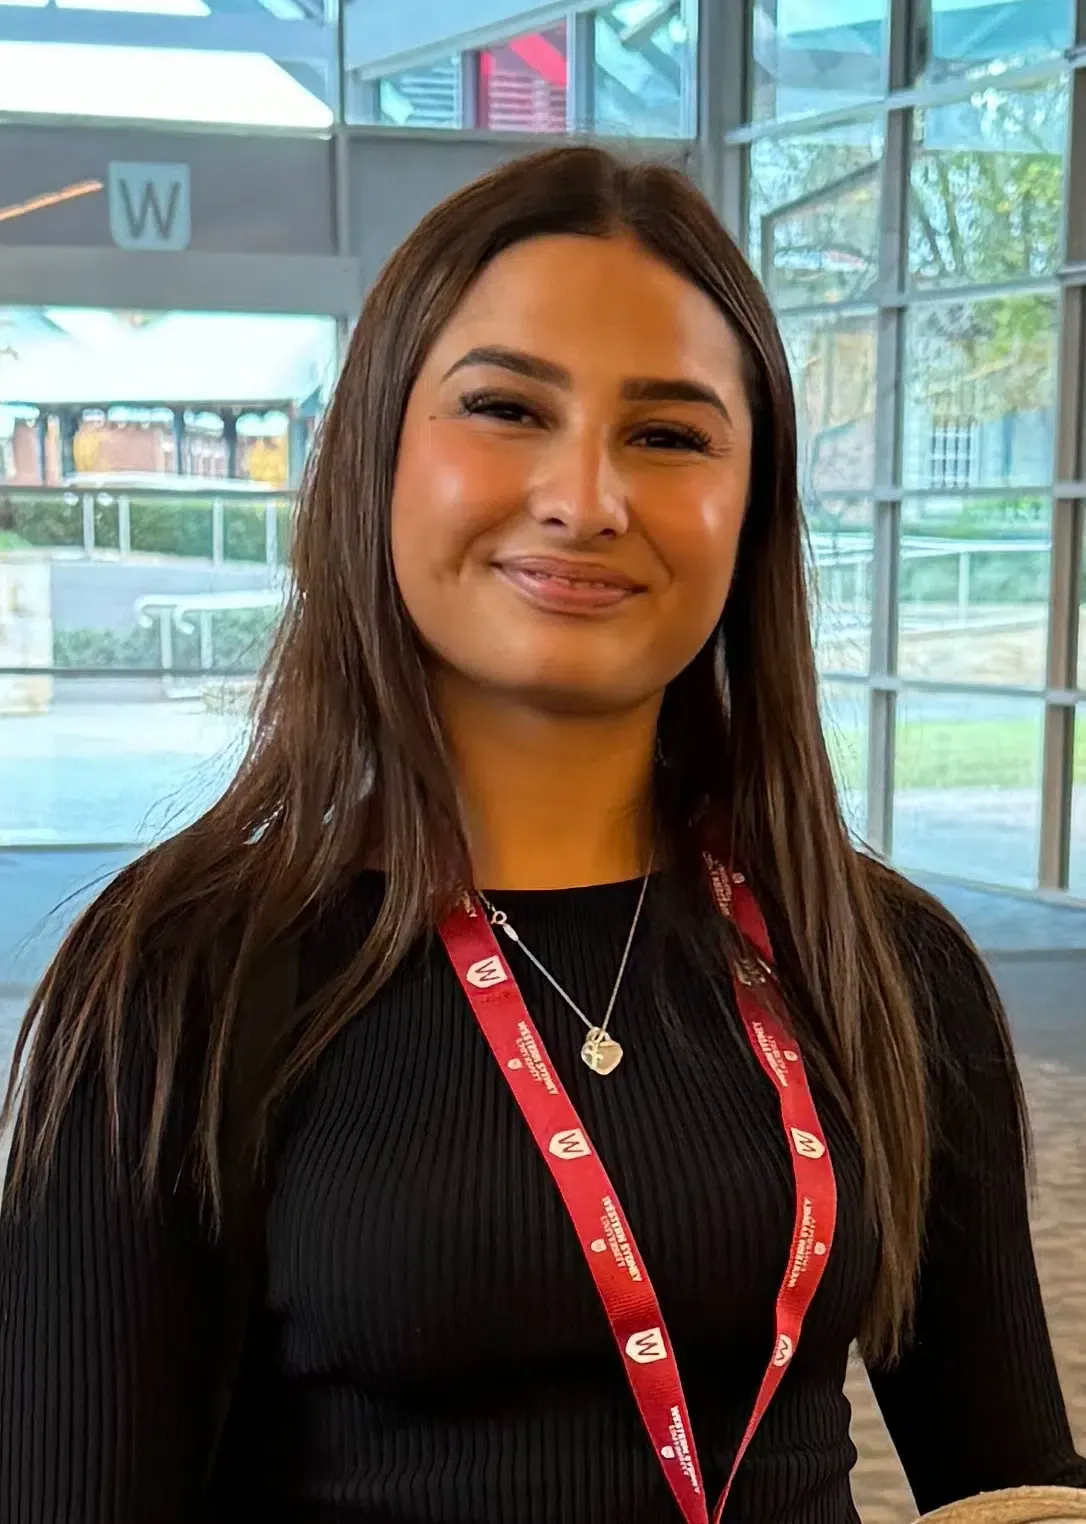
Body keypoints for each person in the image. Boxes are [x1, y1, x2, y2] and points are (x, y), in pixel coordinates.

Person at [1, 145, 1083, 1524]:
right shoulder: (180, 980)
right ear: (377, 457)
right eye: (506, 407)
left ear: (750, 514)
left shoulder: (885, 964)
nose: (585, 500)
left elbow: (1010, 1483)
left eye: (670, 434)